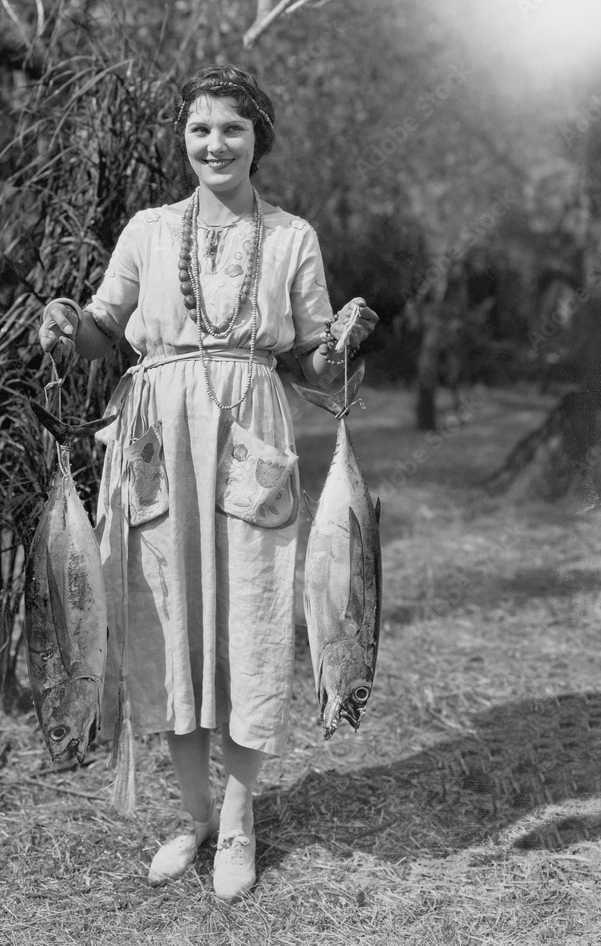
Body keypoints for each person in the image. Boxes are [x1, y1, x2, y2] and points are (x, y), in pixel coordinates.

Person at [38, 65, 378, 902]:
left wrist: (341, 339)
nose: (215, 143)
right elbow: (102, 330)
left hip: (251, 430)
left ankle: (237, 820)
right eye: (199, 129)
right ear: (182, 140)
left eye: (232, 127)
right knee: (170, 624)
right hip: (154, 435)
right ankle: (191, 815)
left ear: (258, 137)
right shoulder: (149, 231)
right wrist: (62, 323)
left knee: (250, 619)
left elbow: (310, 356)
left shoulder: (292, 236)